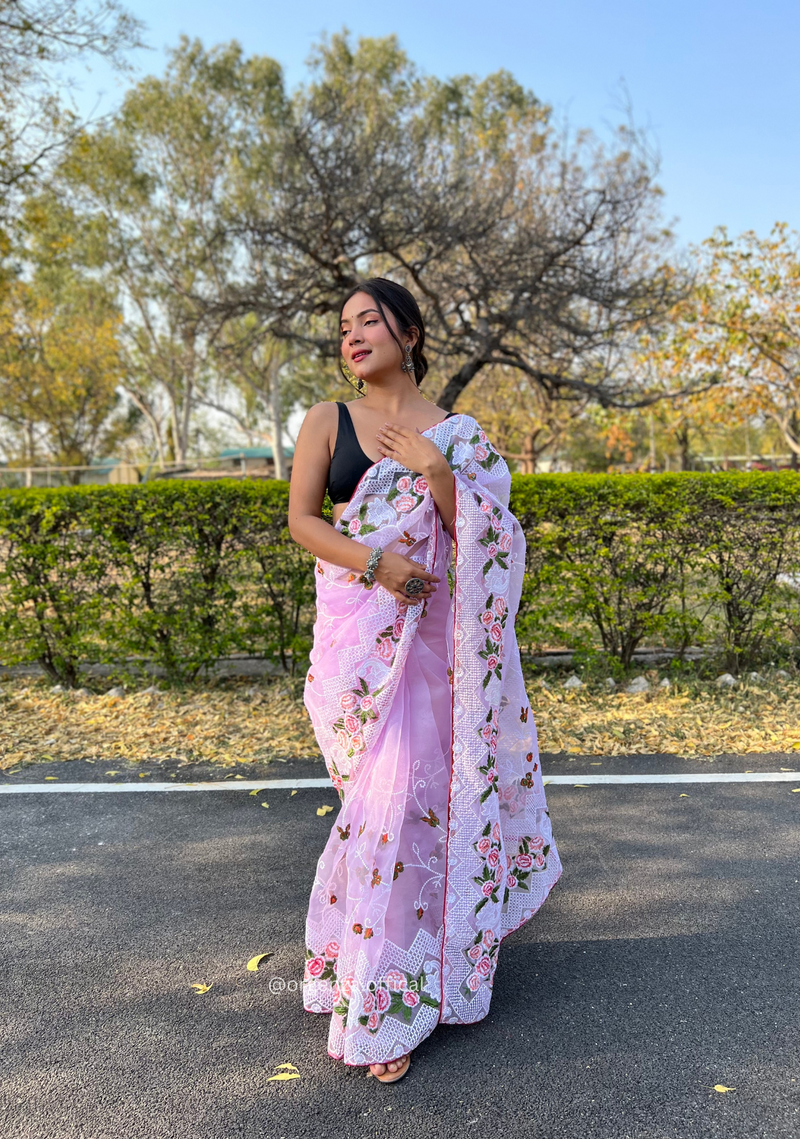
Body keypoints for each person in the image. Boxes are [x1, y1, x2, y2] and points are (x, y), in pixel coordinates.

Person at [288, 278, 562, 1084]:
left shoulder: (460, 434)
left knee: (431, 806)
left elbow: (490, 537)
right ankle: (392, 982)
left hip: (442, 649)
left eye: (369, 320)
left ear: (409, 333)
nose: (353, 335)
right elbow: (304, 521)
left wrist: (437, 470)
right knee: (390, 809)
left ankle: (402, 995)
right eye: (343, 326)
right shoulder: (326, 421)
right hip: (369, 642)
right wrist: (381, 563)